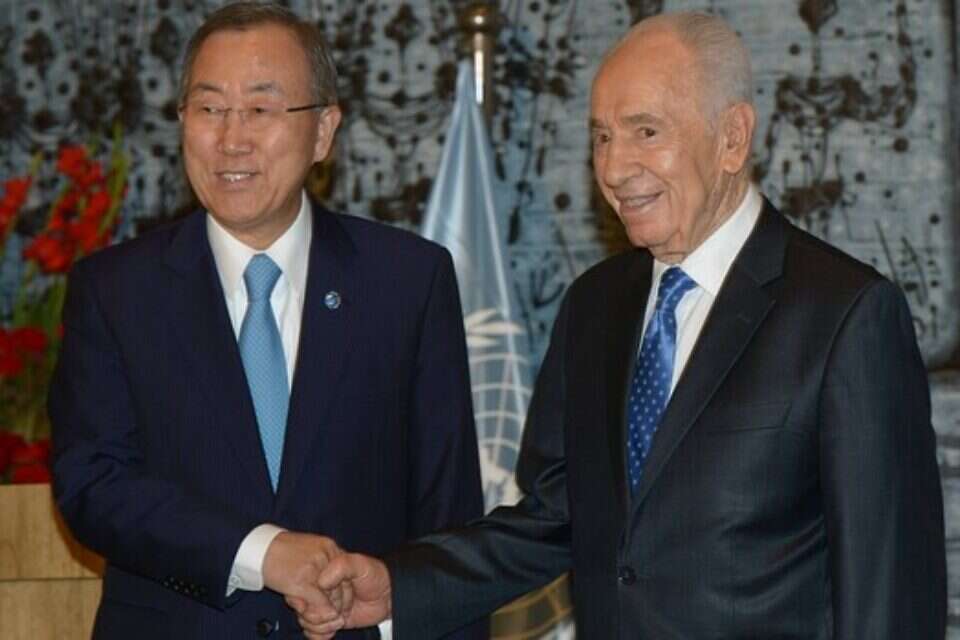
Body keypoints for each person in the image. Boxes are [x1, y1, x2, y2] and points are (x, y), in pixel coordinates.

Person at [303, 10, 947, 639]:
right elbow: (558, 516)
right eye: (601, 137)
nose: (612, 169)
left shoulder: (846, 316)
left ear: (732, 138)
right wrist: (401, 586)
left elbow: (888, 592)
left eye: (645, 132)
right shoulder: (594, 306)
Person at [48, 3, 485, 639]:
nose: (232, 139)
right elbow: (94, 484)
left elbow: (449, 523)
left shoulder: (407, 282)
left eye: (261, 108)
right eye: (209, 108)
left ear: (324, 131)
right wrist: (260, 552)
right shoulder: (116, 290)